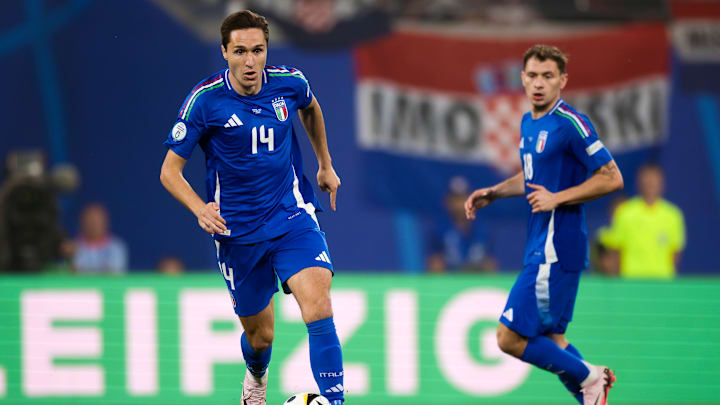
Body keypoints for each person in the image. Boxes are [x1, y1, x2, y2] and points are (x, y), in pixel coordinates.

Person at [159, 10, 344, 405]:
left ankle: (336, 401)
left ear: (266, 51)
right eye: (240, 51)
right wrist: (199, 208)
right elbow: (170, 172)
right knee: (261, 337)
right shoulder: (204, 101)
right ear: (225, 52)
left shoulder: (289, 84)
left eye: (257, 51)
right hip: (237, 233)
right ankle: (256, 378)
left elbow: (310, 108)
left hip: (290, 215)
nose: (250, 62)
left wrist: (324, 164)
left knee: (319, 304)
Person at [464, 45, 624, 405]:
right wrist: (494, 192)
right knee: (553, 341)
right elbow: (531, 175)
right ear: (522, 78)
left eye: (548, 76)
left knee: (508, 337)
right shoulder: (528, 122)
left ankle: (592, 377)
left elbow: (612, 178)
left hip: (556, 246)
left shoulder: (571, 123)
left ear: (563, 81)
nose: (539, 83)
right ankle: (591, 395)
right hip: (542, 245)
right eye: (533, 75)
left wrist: (558, 197)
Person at [598, 163, 685, 278]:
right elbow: (616, 249)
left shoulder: (673, 215)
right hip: (632, 280)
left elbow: (675, 252)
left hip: (662, 282)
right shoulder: (625, 212)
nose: (650, 184)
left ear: (662, 183)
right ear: (639, 182)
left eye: (654, 180)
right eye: (647, 180)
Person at [426, 176, 497, 273]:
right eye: (456, 199)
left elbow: (490, 261)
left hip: (477, 278)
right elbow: (435, 262)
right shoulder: (439, 229)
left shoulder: (483, 228)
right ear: (447, 202)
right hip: (451, 279)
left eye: (464, 198)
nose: (461, 204)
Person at [72, 203, 128, 274]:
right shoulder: (73, 247)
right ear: (82, 222)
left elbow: (113, 274)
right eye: (90, 221)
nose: (93, 225)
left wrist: (84, 269)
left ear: (105, 222)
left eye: (97, 221)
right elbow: (74, 273)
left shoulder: (117, 247)